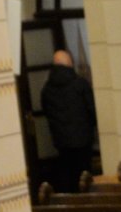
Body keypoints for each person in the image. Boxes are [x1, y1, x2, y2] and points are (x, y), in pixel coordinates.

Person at [39, 48, 98, 192]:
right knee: (85, 178)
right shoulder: (80, 84)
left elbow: (47, 112)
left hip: (62, 142)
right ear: (70, 63)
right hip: (83, 140)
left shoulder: (47, 89)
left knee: (68, 176)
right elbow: (92, 110)